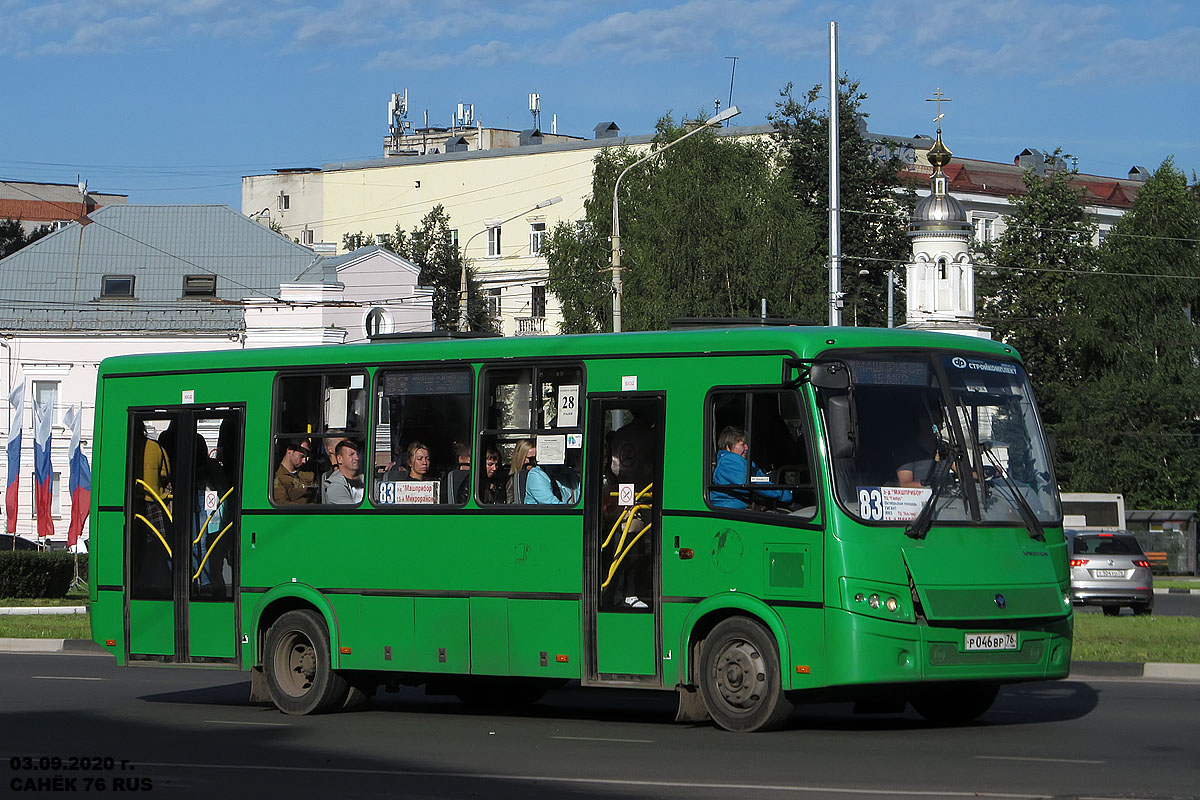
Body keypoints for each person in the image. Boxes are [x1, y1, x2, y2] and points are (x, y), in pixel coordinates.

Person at [710, 426, 792, 509]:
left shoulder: (742, 462)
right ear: (728, 448)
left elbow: (760, 480)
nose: (747, 448)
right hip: (731, 511)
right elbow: (755, 484)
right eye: (742, 445)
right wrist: (785, 494)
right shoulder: (729, 462)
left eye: (747, 444)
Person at [273, 439, 316, 504]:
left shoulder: (308, 472)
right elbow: (282, 504)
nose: (304, 461)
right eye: (301, 456)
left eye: (306, 457)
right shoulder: (278, 476)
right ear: (289, 451)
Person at [322, 439, 364, 504]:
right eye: (351, 454)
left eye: (357, 454)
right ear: (339, 459)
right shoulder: (334, 486)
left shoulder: (366, 479)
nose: (357, 458)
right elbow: (352, 512)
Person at [505, 439, 536, 503]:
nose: (534, 462)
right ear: (521, 458)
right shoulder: (513, 480)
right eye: (531, 458)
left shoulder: (541, 475)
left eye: (536, 458)